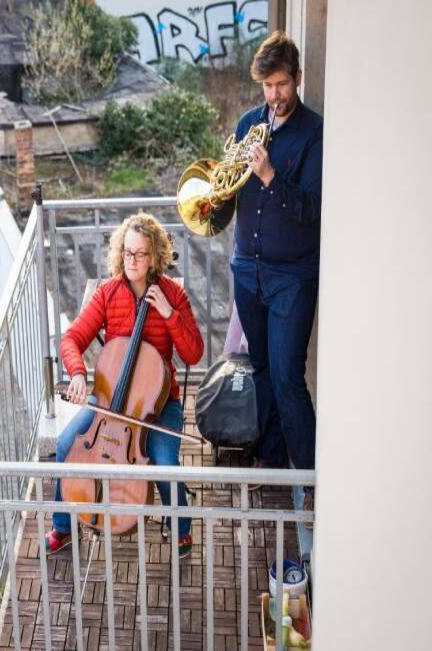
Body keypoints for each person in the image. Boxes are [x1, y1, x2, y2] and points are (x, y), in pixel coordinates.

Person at [45, 213, 204, 558]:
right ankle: (63, 525)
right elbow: (72, 339)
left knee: (164, 464)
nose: (132, 261)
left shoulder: (173, 295)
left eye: (141, 254)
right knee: (66, 445)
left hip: (157, 406)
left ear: (156, 257)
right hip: (109, 400)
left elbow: (194, 352)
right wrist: (76, 373)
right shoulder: (108, 292)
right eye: (127, 253)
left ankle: (181, 528)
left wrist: (168, 314)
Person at [215, 31, 322, 514]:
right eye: (266, 86)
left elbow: (312, 211)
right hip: (248, 270)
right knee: (260, 371)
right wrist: (223, 179)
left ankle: (311, 480)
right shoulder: (248, 123)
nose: (273, 96)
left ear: (296, 79)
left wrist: (270, 177)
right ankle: (273, 462)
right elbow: (228, 198)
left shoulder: (313, 134)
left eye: (281, 85)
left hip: (291, 276)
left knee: (287, 378)